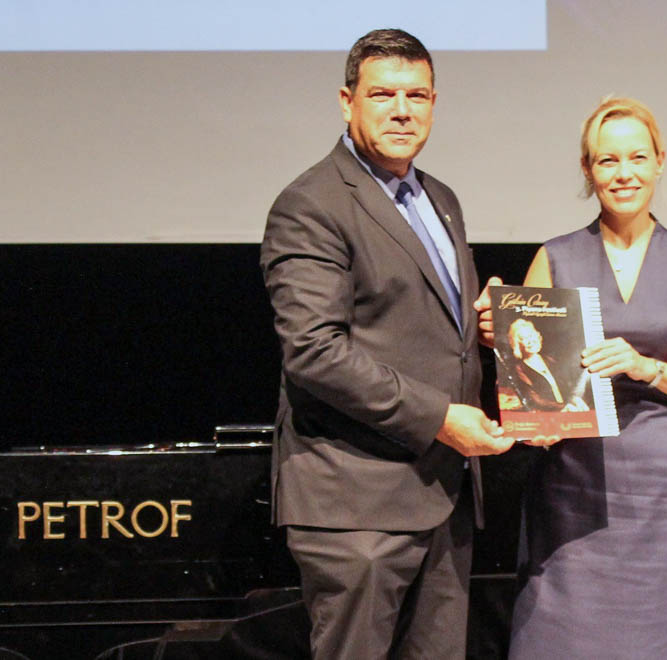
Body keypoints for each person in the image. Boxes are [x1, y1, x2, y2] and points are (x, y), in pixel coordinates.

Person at [259, 28, 513, 660]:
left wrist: (484, 322)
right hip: (357, 508)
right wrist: (440, 418)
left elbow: (424, 326)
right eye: (383, 94)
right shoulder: (310, 204)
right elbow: (314, 351)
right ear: (347, 102)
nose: (402, 110)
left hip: (443, 496)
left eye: (417, 95)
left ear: (434, 104)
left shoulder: (440, 198)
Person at [477, 97, 667, 658]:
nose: (625, 173)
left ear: (660, 162)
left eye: (638, 157)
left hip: (659, 489)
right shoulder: (555, 257)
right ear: (588, 169)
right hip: (572, 482)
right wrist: (495, 335)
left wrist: (649, 368)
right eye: (608, 160)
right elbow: (526, 372)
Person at [505, 318, 591, 412]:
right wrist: (562, 407)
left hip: (567, 408)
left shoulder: (549, 360)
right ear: (517, 344)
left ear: (537, 336)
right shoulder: (520, 369)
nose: (530, 341)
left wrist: (574, 400)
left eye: (531, 335)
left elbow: (567, 387)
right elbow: (535, 399)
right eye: (524, 339)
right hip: (547, 413)